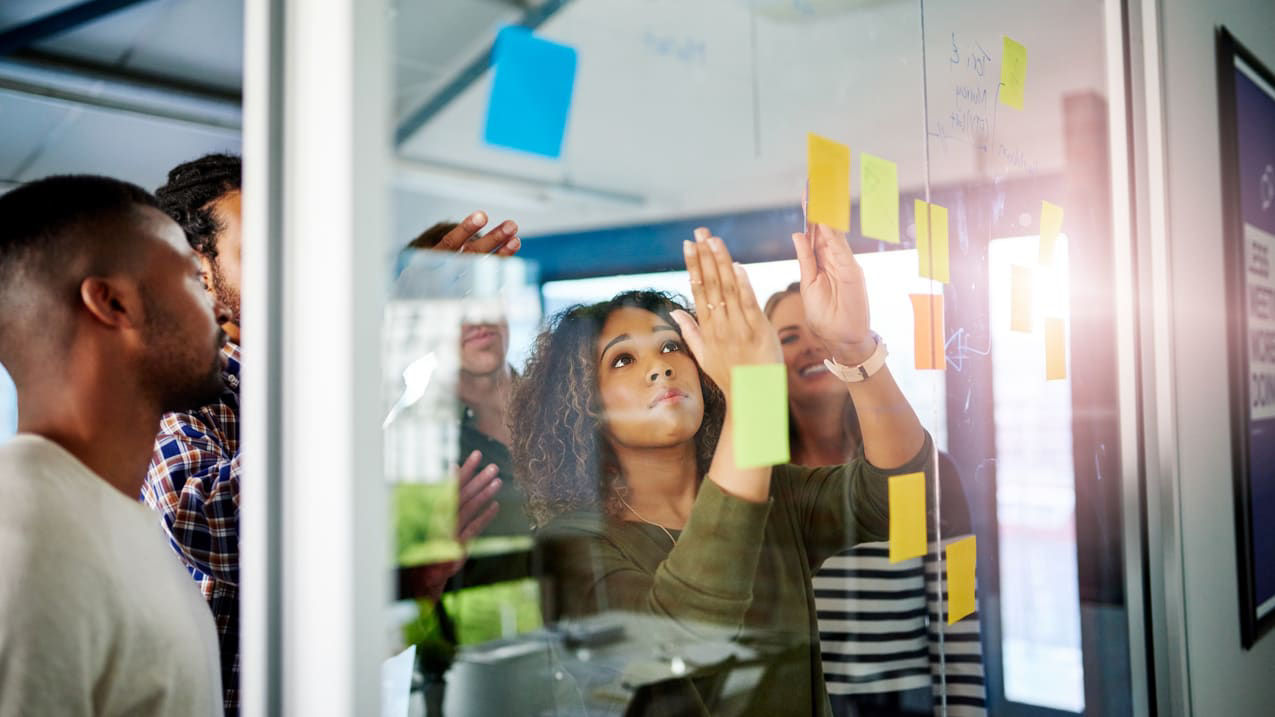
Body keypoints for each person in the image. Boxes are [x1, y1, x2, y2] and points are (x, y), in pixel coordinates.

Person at [142, 153, 519, 715]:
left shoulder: (316, 390)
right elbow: (219, 530)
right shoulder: (176, 391)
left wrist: (417, 584)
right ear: (200, 270)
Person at [511, 223, 934, 716]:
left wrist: (855, 347)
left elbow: (903, 496)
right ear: (584, 404)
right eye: (622, 359)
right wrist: (751, 396)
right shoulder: (570, 546)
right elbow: (679, 641)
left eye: (671, 346)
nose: (660, 367)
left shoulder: (776, 492)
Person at [0, 175, 228, 716]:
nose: (218, 310)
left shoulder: (117, 526)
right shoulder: (21, 544)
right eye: (196, 280)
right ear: (113, 303)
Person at [765, 283, 986, 717]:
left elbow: (958, 621)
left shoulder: (927, 473)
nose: (810, 346)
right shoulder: (758, 486)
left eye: (820, 332)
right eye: (788, 338)